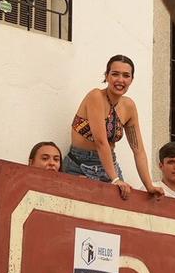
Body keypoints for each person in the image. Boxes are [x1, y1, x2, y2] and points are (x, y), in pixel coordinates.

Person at [64, 54, 159, 199]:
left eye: (126, 75)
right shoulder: (95, 96)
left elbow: (138, 150)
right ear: (106, 76)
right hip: (80, 164)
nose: (120, 80)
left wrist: (149, 185)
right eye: (115, 74)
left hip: (110, 167)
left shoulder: (129, 106)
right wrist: (115, 180)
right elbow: (100, 141)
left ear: (132, 80)